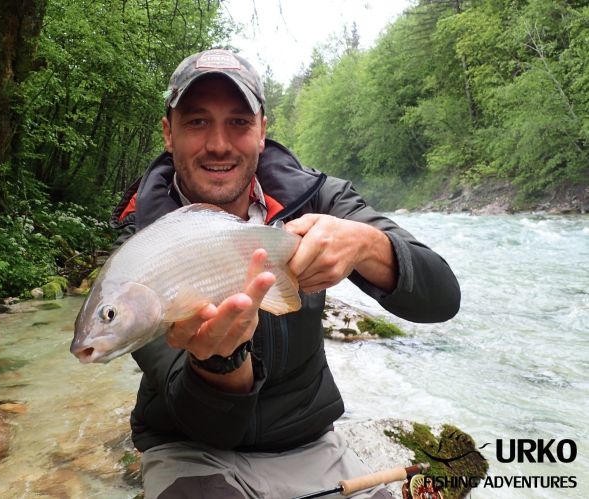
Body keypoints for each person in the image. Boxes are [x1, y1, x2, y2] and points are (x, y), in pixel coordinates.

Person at [109, 48, 460, 498]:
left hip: (310, 445)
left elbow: (442, 298)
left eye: (239, 122)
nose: (218, 144)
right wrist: (223, 361)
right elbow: (209, 423)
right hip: (190, 449)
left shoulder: (319, 197)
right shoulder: (140, 246)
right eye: (197, 122)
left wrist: (366, 244)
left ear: (262, 132)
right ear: (168, 133)